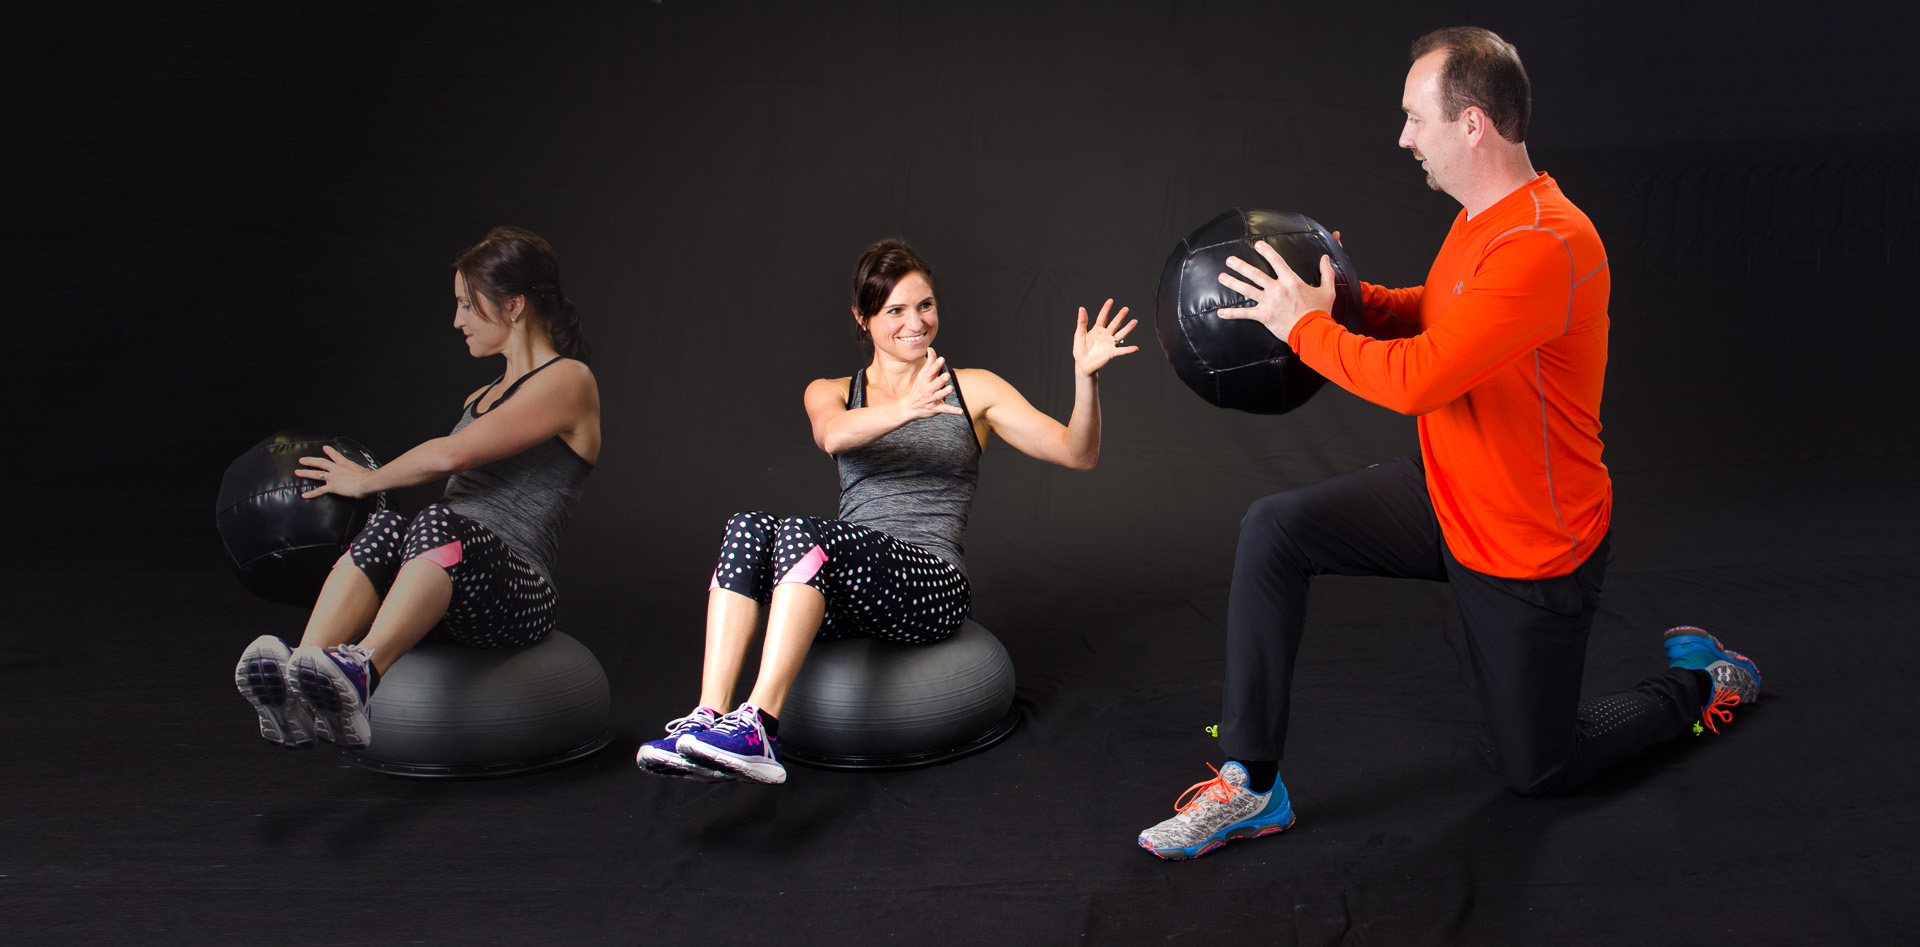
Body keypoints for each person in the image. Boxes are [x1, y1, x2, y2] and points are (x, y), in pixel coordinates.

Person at [1136, 27, 1762, 860]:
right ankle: (1252, 783)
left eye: (1413, 118)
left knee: (1541, 768)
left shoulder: (1546, 241)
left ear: (1472, 124)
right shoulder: (1482, 220)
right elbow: (1436, 313)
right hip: (1449, 492)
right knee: (1273, 528)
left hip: (1528, 545)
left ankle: (1700, 683)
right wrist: (1344, 299)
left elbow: (1419, 378)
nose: (1402, 138)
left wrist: (1307, 328)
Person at [635, 238, 1137, 784]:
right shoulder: (831, 390)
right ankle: (707, 718)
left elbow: (1077, 453)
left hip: (931, 581)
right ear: (863, 316)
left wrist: (1085, 378)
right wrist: (905, 408)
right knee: (748, 527)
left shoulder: (973, 389)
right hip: (842, 581)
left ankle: (758, 727)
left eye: (924, 306)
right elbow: (833, 435)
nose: (914, 322)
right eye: (894, 310)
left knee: (804, 532)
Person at [232, 226, 600, 750]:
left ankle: (363, 671)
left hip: (519, 597)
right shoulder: (481, 394)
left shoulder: (569, 381)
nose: (457, 321)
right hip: (444, 589)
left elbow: (452, 455)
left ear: (514, 305)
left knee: (436, 520)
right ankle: (300, 676)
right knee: (387, 525)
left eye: (468, 306)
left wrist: (364, 481)